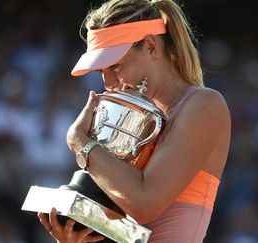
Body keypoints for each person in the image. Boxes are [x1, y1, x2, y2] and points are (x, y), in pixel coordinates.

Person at [38, 0, 231, 242]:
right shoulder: (130, 114)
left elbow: (145, 203)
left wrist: (80, 142)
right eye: (101, 72)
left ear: (150, 46)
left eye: (116, 66)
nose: (108, 84)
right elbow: (126, 230)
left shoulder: (205, 105)